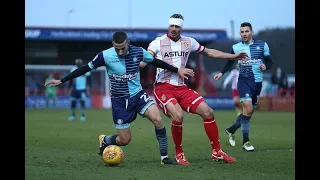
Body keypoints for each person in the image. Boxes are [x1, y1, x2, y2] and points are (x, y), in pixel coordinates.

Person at [44, 31, 195, 165]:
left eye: (123, 48)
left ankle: (164, 158)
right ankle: (105, 140)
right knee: (125, 140)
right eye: (117, 49)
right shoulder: (105, 55)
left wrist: (177, 70)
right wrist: (62, 81)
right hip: (119, 101)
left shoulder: (138, 52)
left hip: (137, 95)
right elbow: (85, 68)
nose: (121, 52)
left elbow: (156, 61)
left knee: (157, 119)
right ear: (113, 46)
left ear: (128, 43)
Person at [141, 14, 248, 165]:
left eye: (177, 26)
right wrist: (137, 65)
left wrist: (233, 56)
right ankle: (179, 153)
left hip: (182, 88)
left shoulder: (189, 42)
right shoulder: (157, 43)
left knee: (208, 111)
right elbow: (148, 59)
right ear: (168, 26)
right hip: (163, 88)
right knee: (178, 115)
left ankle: (217, 152)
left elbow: (210, 52)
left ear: (181, 28)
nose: (174, 29)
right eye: (171, 26)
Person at [214, 22, 273, 151]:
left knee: (248, 113)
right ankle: (246, 142)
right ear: (240, 33)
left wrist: (266, 66)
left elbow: (269, 61)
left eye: (246, 31)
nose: (244, 34)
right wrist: (222, 73)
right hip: (244, 81)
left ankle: (231, 129)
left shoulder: (262, 45)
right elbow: (230, 62)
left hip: (257, 82)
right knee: (247, 107)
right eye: (242, 32)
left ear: (252, 32)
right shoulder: (236, 47)